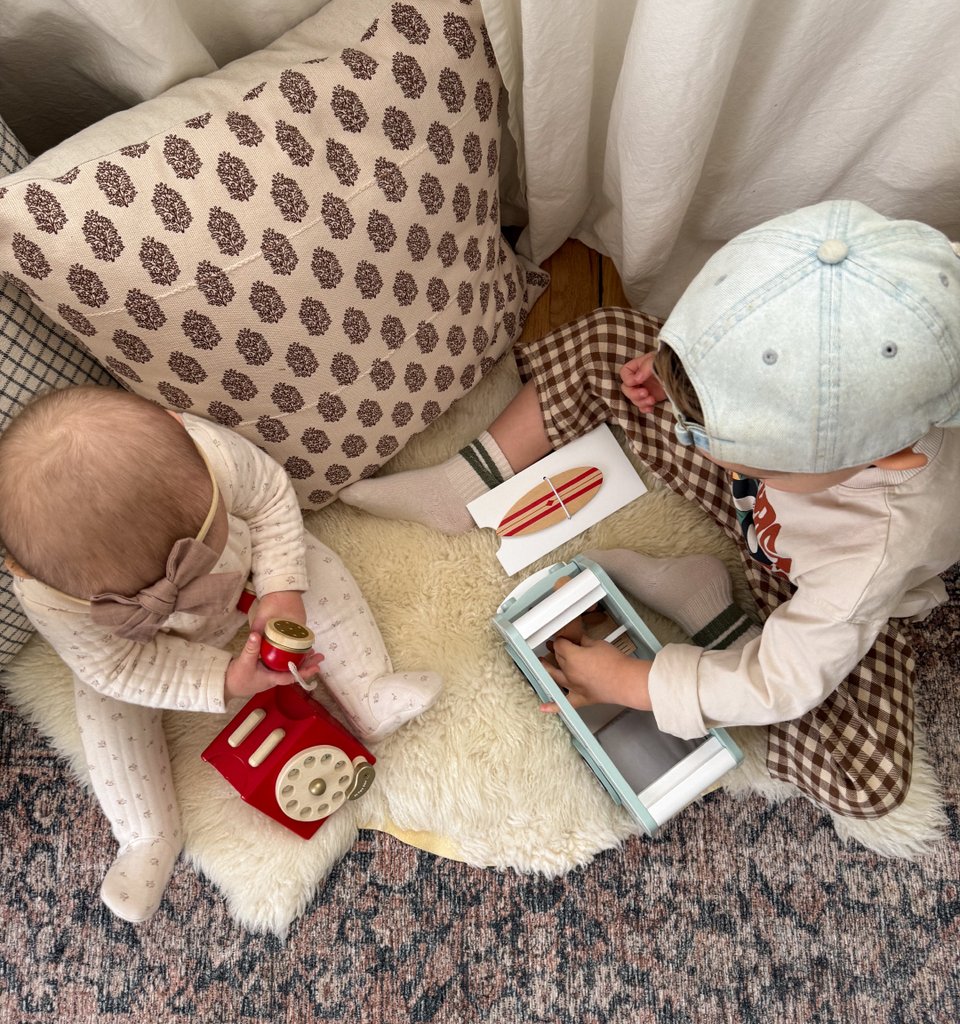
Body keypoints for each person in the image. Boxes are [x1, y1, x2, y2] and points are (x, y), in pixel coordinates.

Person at [341, 200, 960, 826]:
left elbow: (783, 681)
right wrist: (672, 370)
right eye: (700, 430)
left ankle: (709, 608)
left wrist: (634, 685)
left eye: (751, 456)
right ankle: (461, 485)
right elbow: (729, 348)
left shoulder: (870, 553)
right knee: (613, 337)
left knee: (864, 779)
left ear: (886, 454)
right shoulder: (861, 301)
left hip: (801, 579)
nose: (704, 445)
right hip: (760, 508)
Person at [0, 387, 442, 923]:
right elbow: (116, 668)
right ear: (25, 573)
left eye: (203, 536)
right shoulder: (52, 600)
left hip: (249, 569)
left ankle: (368, 688)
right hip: (141, 646)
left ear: (179, 429)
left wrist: (281, 589)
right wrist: (225, 679)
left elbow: (271, 500)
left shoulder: (208, 452)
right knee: (103, 705)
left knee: (318, 569)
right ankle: (147, 834)